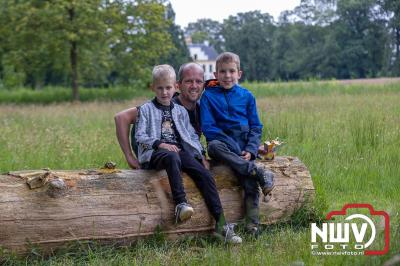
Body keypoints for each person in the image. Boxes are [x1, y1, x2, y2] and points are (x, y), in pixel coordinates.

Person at [122, 64, 242, 243]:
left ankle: (222, 224)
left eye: (168, 88)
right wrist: (159, 143)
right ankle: (181, 204)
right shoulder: (145, 110)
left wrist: (201, 155)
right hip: (155, 153)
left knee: (204, 174)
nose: (164, 92)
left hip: (177, 152)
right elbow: (140, 135)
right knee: (171, 156)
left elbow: (191, 135)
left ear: (175, 87)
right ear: (152, 88)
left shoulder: (180, 111)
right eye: (160, 88)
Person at [200, 52, 275, 235]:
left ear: (239, 74)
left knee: (250, 183)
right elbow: (209, 128)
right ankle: (257, 171)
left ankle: (253, 225)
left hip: (244, 147)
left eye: (231, 71)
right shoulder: (208, 97)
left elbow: (256, 126)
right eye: (223, 72)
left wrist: (250, 149)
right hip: (223, 145)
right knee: (214, 147)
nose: (227, 76)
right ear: (215, 75)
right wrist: (236, 149)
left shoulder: (247, 96)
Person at [114, 62, 206, 170]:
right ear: (178, 85)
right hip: (155, 156)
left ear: (204, 85)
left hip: (179, 157)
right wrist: (129, 156)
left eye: (198, 81)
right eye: (188, 81)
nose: (194, 86)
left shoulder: (201, 108)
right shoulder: (165, 103)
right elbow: (121, 117)